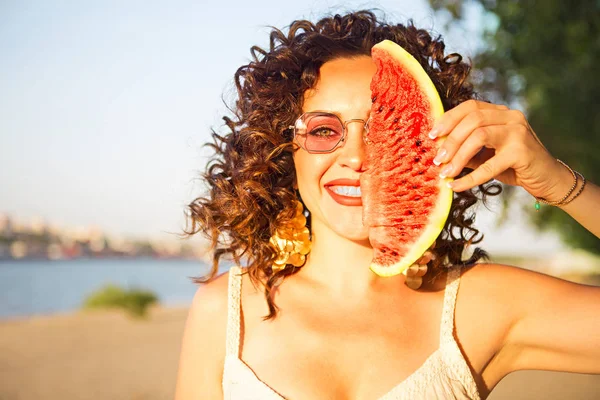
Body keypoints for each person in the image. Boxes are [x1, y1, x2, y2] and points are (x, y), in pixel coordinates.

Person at [174, 10, 600, 400]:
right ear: (283, 149)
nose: (357, 157)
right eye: (324, 130)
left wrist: (559, 184)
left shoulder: (479, 307)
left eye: (386, 130)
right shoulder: (224, 314)